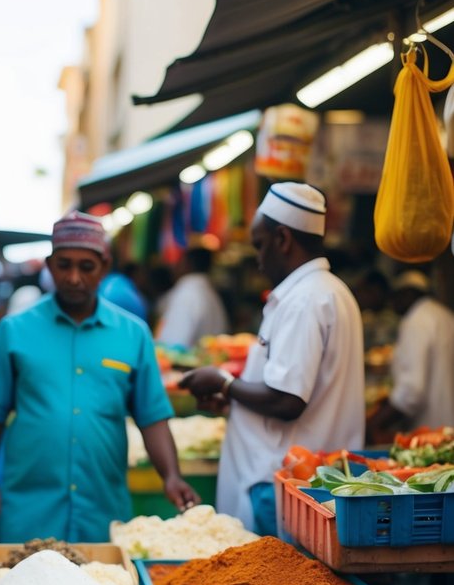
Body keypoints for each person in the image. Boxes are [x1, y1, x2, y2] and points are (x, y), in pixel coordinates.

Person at [0, 210, 200, 543]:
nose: (73, 278)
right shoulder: (14, 331)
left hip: (102, 513)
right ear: (50, 264)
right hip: (28, 514)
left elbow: (152, 416)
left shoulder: (133, 334)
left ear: (105, 266)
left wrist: (171, 476)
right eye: (64, 265)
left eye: (86, 267)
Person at [181, 183, 364, 535]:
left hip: (281, 486)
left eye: (260, 245)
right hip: (300, 483)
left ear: (283, 239)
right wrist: (233, 400)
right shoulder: (327, 292)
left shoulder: (306, 300)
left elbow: (287, 399)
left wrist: (223, 381)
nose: (258, 259)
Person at [367, 270, 454, 438]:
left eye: (396, 297)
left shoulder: (416, 321)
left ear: (408, 294)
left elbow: (411, 392)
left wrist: (373, 424)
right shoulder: (444, 315)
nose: (392, 303)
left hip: (431, 429)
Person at [156, 247, 229, 347]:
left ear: (188, 264)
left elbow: (172, 344)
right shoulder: (212, 294)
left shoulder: (187, 295)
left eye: (179, 262)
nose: (175, 267)